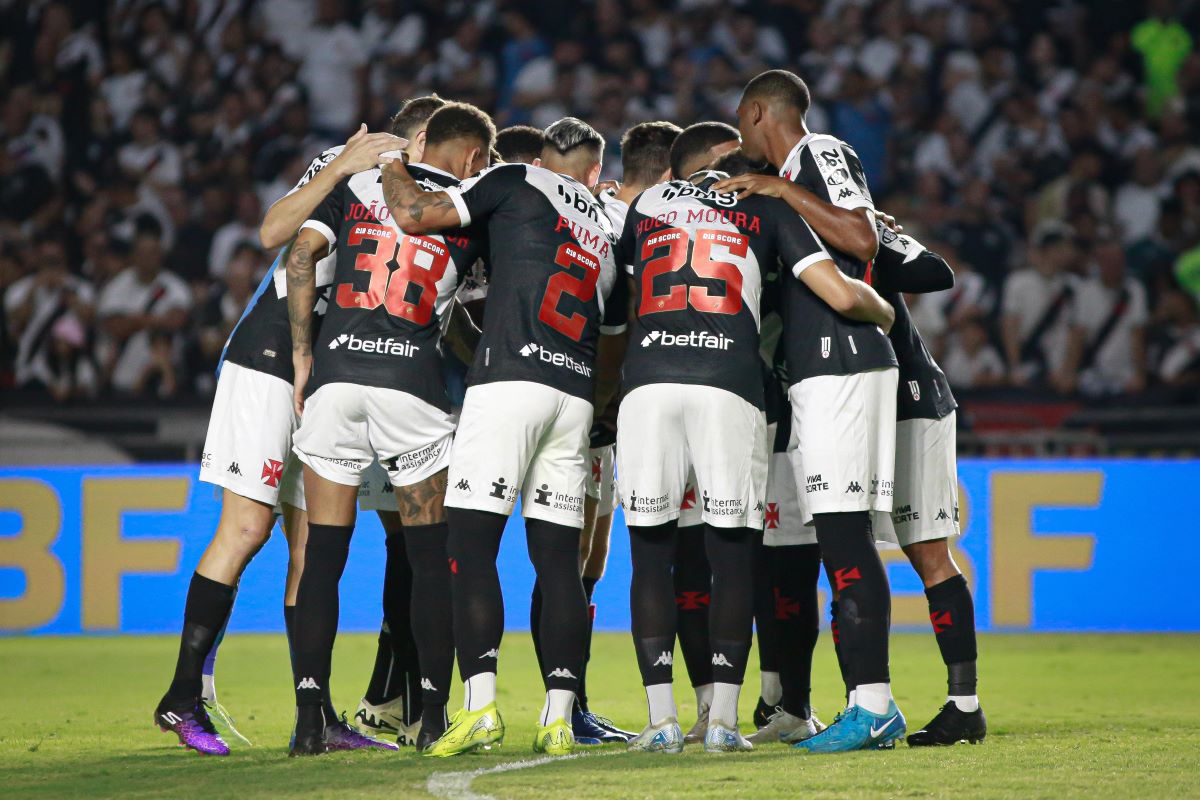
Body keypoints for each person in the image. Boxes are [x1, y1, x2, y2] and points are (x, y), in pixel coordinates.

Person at [617, 135, 894, 753]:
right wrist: (887, 315)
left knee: (649, 555)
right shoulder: (767, 210)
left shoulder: (654, 202)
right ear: (742, 175)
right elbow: (843, 293)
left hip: (648, 382)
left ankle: (661, 720)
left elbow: (623, 289)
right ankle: (722, 723)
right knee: (733, 554)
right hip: (729, 385)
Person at [152, 122, 405, 756]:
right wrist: (343, 163)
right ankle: (181, 698)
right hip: (269, 360)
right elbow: (272, 234)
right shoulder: (349, 172)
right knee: (245, 528)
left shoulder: (418, 195)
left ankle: (313, 718)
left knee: (312, 548)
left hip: (326, 375)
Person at [381, 116, 628, 758]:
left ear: (543, 156)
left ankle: (481, 708)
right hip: (573, 397)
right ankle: (558, 716)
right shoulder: (604, 223)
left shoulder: (516, 178)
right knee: (558, 562)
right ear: (595, 171)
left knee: (469, 547)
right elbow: (616, 334)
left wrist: (388, 164)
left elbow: (414, 216)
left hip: (508, 383)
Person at [284, 101, 494, 756]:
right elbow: (478, 310)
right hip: (411, 386)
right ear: (473, 158)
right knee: (430, 559)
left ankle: (311, 719)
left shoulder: (358, 184)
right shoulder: (469, 206)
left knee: (323, 556)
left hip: (337, 377)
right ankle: (430, 715)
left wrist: (301, 354)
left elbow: (298, 258)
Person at [721, 69, 905, 753]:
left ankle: (875, 705)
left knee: (845, 537)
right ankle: (860, 702)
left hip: (843, 363)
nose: (744, 138)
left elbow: (861, 240)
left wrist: (777, 190)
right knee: (835, 538)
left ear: (759, 110)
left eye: (742, 122)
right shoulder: (799, 175)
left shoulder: (816, 153)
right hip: (820, 369)